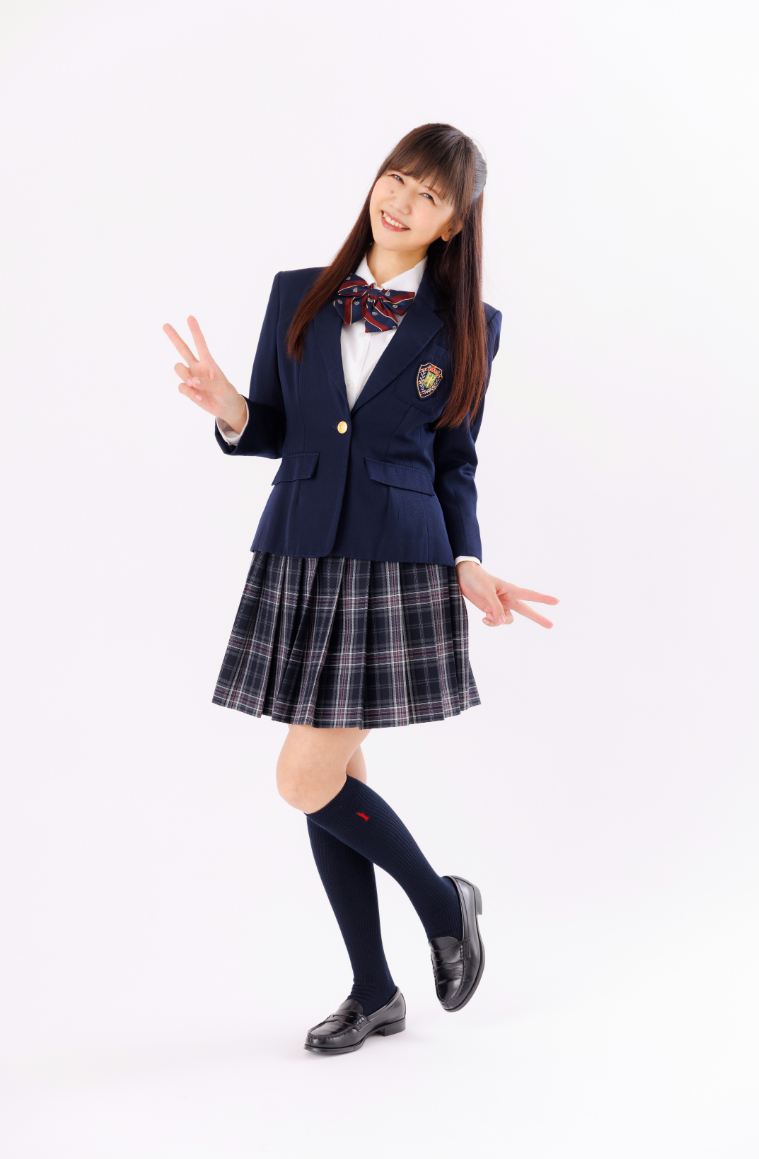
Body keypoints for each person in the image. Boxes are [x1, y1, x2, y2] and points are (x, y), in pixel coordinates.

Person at [163, 123, 558, 1056]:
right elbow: (278, 426)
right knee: (332, 780)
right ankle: (375, 990)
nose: (401, 200)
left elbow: (455, 461)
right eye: (396, 178)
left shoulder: (469, 326)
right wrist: (230, 408)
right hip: (300, 551)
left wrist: (466, 560)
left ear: (453, 223)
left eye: (428, 194)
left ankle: (442, 902)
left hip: (396, 563)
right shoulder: (295, 293)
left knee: (303, 777)